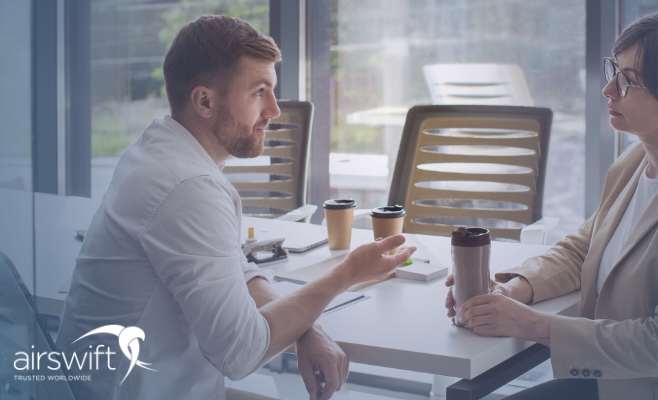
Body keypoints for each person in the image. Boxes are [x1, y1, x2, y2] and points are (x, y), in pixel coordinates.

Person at [56, 15, 415, 400]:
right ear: (205, 101)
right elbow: (241, 354)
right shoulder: (188, 188)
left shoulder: (158, 150)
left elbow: (237, 269)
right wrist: (347, 274)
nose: (275, 109)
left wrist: (308, 328)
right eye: (259, 91)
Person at [445, 11, 658, 400]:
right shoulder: (636, 161)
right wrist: (513, 291)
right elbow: (582, 250)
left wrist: (530, 325)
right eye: (615, 70)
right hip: (624, 380)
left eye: (629, 82)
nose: (608, 90)